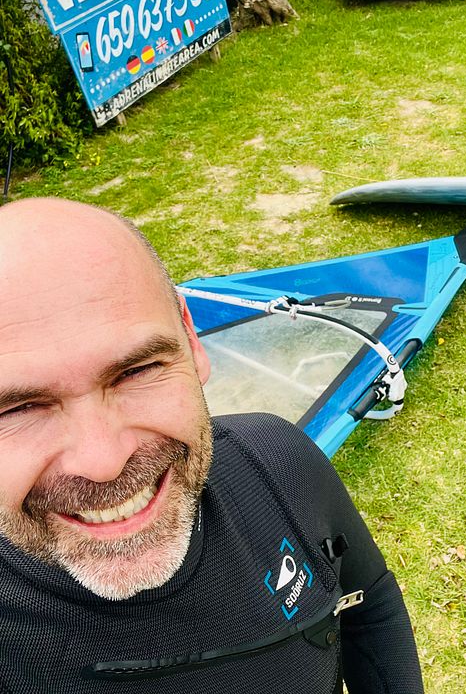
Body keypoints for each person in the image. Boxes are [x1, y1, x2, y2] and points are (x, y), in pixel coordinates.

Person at [0, 197, 424, 693]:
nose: (104, 461)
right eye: (18, 408)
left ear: (192, 340)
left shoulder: (278, 462)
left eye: (137, 371)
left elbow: (369, 605)